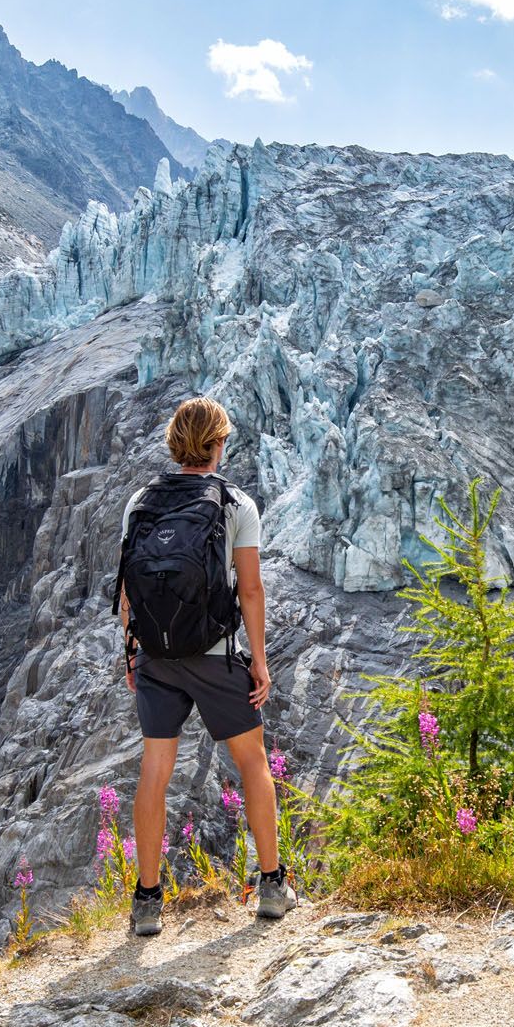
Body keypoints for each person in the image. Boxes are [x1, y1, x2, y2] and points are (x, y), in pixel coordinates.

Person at [118, 396, 294, 937]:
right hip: (215, 655)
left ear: (175, 444)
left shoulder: (140, 502)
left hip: (156, 657)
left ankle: (147, 902)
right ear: (218, 444)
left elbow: (128, 588)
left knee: (155, 771)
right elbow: (252, 590)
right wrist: (259, 663)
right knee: (252, 763)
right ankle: (271, 886)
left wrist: (132, 651)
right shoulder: (236, 503)